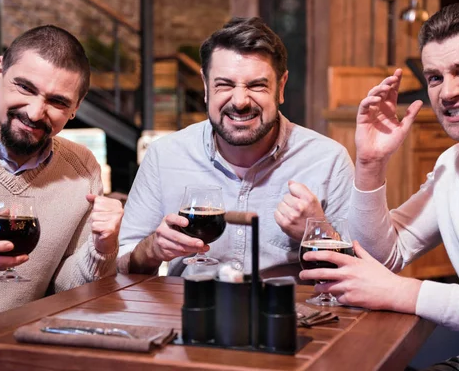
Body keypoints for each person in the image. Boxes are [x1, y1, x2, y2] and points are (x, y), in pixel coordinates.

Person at [300, 1, 459, 369]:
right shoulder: (454, 164)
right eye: (435, 77)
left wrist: (404, 292)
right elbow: (384, 255)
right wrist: (370, 163)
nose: (448, 92)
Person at [118, 17, 354, 278]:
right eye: (225, 85)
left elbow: (361, 273)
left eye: (257, 85)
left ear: (281, 87)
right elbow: (122, 260)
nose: (240, 101)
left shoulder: (328, 160)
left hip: (291, 314)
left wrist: (318, 233)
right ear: (206, 87)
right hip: (190, 311)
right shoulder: (164, 155)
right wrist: (152, 249)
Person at [0, 25, 124, 331]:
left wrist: (102, 248)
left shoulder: (82, 166)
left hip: (23, 349)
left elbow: (70, 290)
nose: (36, 113)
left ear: (76, 107)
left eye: (58, 102)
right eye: (25, 88)